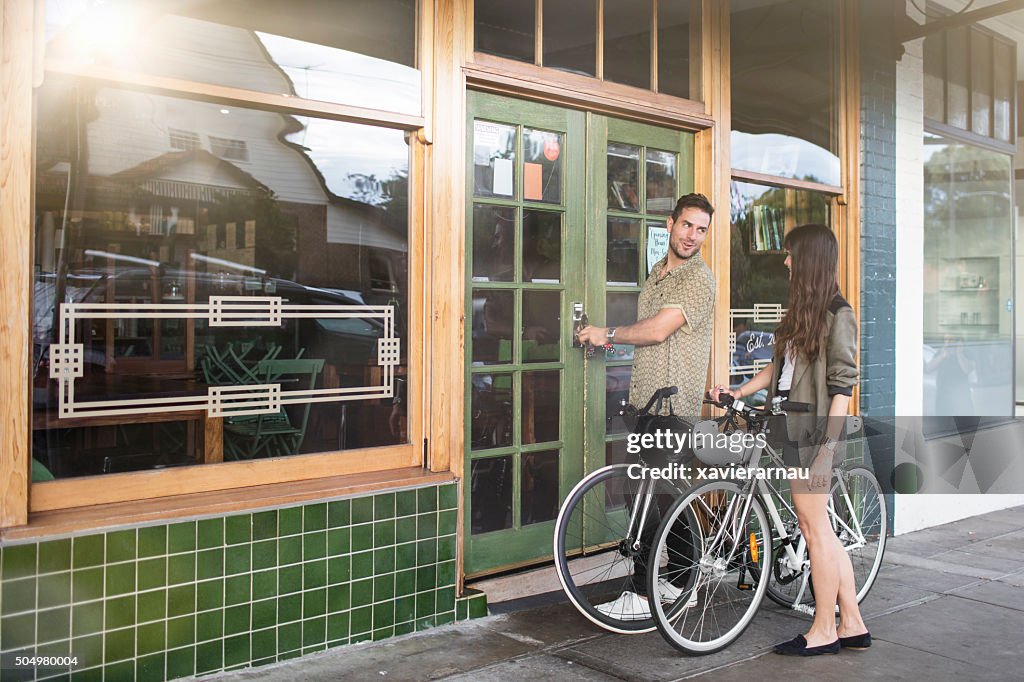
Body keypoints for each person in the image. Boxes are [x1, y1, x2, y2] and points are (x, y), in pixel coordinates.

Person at [709, 223, 868, 656]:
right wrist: (737, 391)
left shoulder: (839, 314)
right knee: (817, 527)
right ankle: (851, 621)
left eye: (791, 254)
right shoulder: (802, 311)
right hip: (790, 428)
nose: (785, 261)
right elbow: (777, 368)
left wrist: (828, 452)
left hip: (816, 435)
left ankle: (823, 630)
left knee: (815, 529)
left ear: (810, 259)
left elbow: (842, 388)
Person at [577, 192, 717, 620]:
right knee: (663, 497)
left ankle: (643, 592)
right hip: (648, 401)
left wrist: (607, 333)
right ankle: (681, 583)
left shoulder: (698, 279)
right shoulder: (659, 272)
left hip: (675, 405)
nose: (693, 236)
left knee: (654, 495)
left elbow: (658, 331)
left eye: (701, 230)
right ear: (670, 223)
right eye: (687, 225)